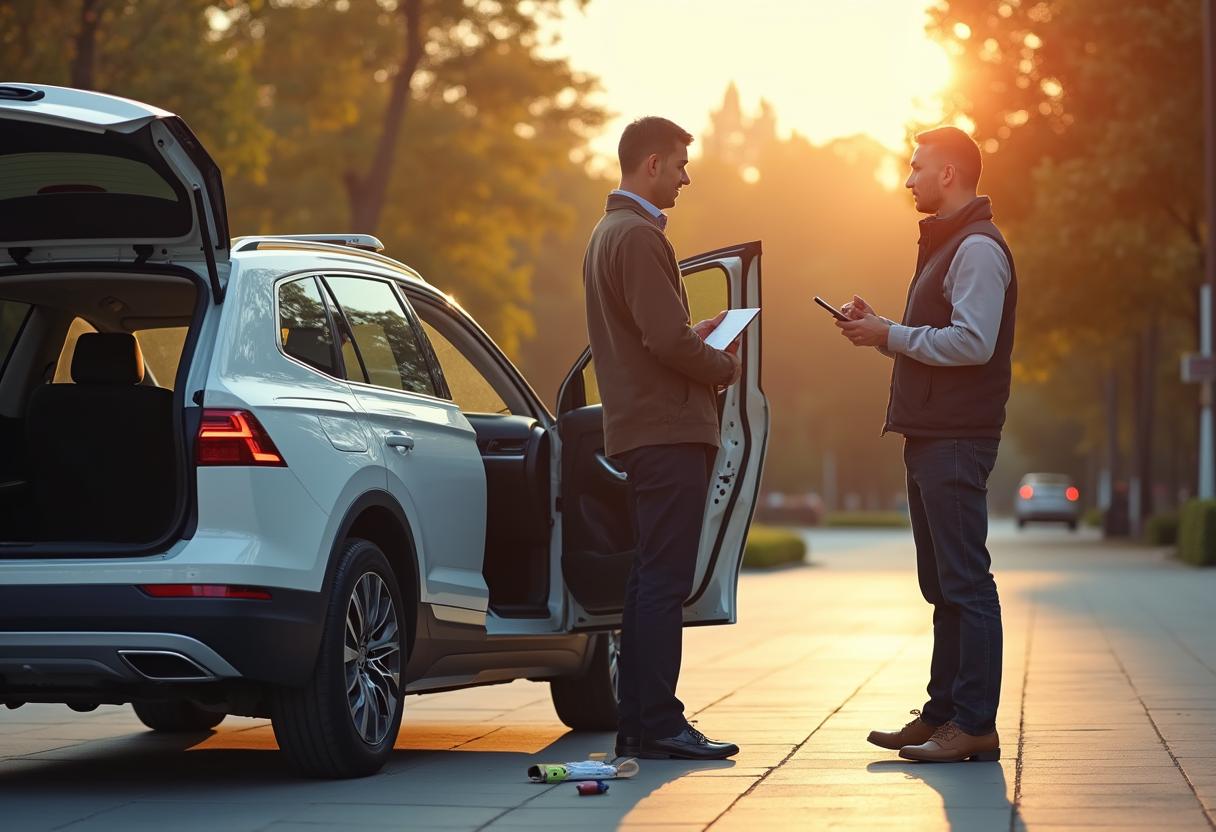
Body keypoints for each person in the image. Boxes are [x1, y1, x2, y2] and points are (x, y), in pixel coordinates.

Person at [836, 126, 1015, 763]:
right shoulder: (947, 245)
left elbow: (973, 343)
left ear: (948, 175)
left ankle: (973, 723)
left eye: (916, 168)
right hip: (933, 435)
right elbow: (938, 334)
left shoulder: (976, 249)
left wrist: (893, 334)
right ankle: (942, 713)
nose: (907, 179)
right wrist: (883, 328)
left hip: (958, 438)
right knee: (941, 583)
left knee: (966, 581)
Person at [582, 116, 742, 760]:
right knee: (665, 580)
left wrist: (687, 336)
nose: (685, 176)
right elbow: (665, 341)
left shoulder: (606, 234)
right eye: (678, 164)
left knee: (649, 577)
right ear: (650, 164)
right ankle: (660, 722)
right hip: (669, 431)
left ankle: (640, 723)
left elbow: (655, 334)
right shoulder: (640, 236)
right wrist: (723, 365)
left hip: (640, 428)